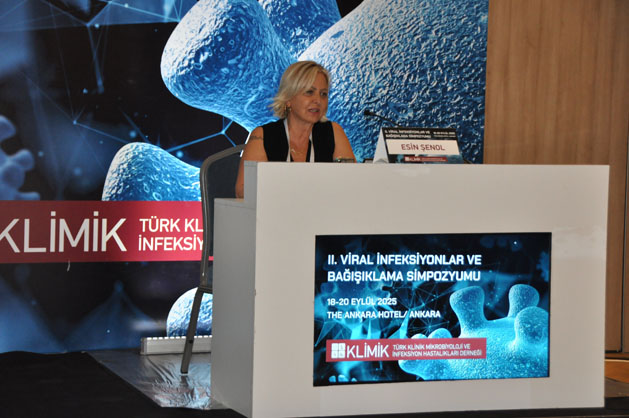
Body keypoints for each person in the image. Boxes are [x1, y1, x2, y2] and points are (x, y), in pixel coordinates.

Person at [235, 61, 355, 198]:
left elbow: (352, 183)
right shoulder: (263, 135)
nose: (318, 100)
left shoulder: (333, 132)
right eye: (309, 92)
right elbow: (243, 191)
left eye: (323, 94)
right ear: (288, 99)